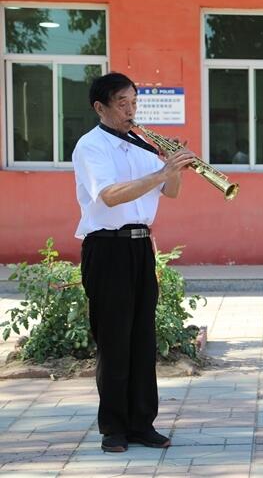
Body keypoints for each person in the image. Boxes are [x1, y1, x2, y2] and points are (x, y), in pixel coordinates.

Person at [72, 72, 195, 453]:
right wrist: (160, 171)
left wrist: (174, 168)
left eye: (134, 102)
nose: (131, 110)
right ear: (100, 107)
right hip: (106, 248)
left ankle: (143, 423)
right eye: (122, 103)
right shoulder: (91, 146)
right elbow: (110, 195)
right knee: (114, 339)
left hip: (141, 248)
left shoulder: (142, 146)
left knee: (142, 338)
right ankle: (113, 427)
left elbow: (170, 192)